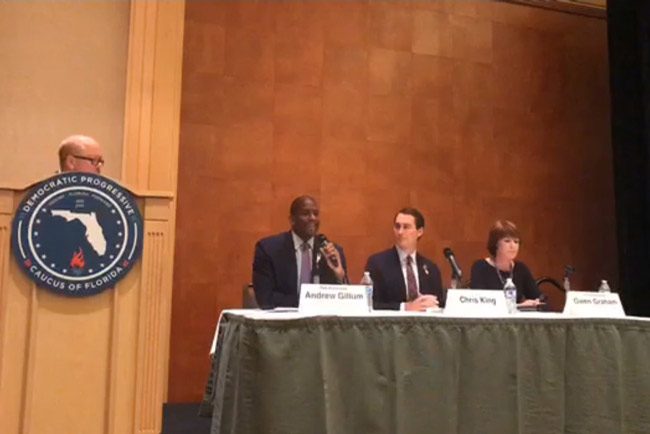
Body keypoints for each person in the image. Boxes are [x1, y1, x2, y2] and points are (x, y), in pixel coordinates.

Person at [252, 195, 348, 309]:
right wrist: (309, 301)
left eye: (316, 214)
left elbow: (343, 300)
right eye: (306, 214)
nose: (312, 218)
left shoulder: (332, 252)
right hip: (282, 323)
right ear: (292, 220)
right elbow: (265, 298)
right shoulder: (269, 249)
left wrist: (340, 276)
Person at [365, 208, 444, 311]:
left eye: (406, 227)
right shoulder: (377, 263)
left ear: (419, 232)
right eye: (397, 226)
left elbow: (440, 304)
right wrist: (405, 307)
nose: (400, 232)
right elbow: (370, 304)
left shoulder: (431, 268)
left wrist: (433, 304)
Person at [469, 220, 542, 307]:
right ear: (496, 244)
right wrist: (518, 306)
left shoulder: (521, 269)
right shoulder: (480, 267)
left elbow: (537, 297)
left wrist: (537, 302)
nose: (513, 246)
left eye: (516, 242)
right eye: (507, 241)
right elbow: (480, 302)